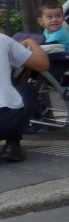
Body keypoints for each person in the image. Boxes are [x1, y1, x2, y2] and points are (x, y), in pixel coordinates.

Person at [1, 33, 51, 163]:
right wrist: (31, 42)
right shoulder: (4, 40)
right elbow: (43, 64)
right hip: (4, 121)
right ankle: (12, 145)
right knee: (28, 90)